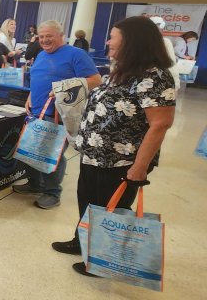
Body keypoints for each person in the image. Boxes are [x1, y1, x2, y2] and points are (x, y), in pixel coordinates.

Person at [51, 16, 176, 277]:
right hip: (95, 155)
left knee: (112, 210)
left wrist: (139, 168)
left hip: (121, 160)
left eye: (113, 37)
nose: (107, 42)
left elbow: (160, 125)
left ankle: (104, 261)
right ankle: (82, 240)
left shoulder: (156, 77)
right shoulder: (123, 70)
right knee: (89, 203)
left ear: (132, 42)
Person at [12, 20, 101, 209]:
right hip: (36, 111)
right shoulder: (42, 54)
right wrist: (30, 96)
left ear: (62, 36)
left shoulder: (76, 54)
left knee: (53, 154)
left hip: (60, 115)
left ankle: (52, 193)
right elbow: (38, 78)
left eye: (49, 36)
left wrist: (64, 89)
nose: (44, 40)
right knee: (33, 150)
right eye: (41, 36)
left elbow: (94, 80)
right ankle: (36, 184)